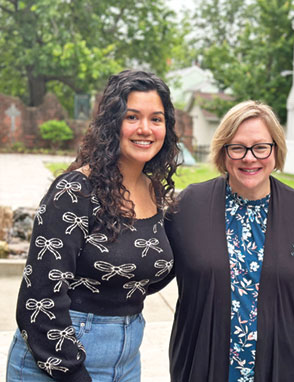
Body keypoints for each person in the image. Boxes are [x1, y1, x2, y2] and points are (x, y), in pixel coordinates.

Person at [6, 69, 180, 382]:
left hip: (126, 358)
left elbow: (144, 273)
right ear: (111, 122)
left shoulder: (155, 193)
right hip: (59, 358)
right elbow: (39, 302)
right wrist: (74, 373)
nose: (145, 128)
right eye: (132, 117)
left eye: (156, 118)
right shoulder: (75, 191)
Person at [162, 100, 294, 381]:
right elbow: (152, 271)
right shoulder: (189, 205)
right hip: (203, 367)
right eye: (237, 147)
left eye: (260, 147)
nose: (249, 157)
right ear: (223, 152)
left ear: (275, 149)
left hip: (288, 369)